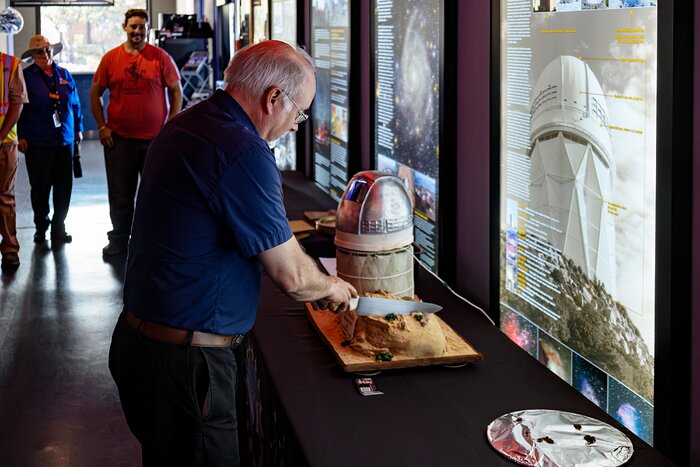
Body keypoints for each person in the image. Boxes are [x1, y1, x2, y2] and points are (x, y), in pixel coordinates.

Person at [109, 40, 357, 466]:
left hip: (144, 346)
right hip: (187, 365)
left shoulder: (188, 122)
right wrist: (334, 288)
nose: (297, 124)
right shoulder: (240, 149)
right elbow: (292, 276)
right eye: (299, 113)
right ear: (273, 98)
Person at [90, 8, 182, 257]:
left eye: (142, 27)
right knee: (120, 193)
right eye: (133, 26)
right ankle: (119, 239)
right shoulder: (111, 59)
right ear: (125, 27)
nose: (137, 31)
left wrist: (170, 127)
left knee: (155, 192)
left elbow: (176, 92)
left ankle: (155, 240)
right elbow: (95, 93)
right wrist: (102, 126)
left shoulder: (160, 58)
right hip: (119, 140)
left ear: (147, 30)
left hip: (154, 141)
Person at [18, 35, 83, 244]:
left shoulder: (64, 74)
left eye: (47, 50)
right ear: (32, 56)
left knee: (64, 188)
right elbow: (19, 108)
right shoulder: (26, 76)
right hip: (38, 142)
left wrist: (79, 129)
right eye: (39, 51)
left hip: (64, 140)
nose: (45, 54)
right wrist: (21, 135)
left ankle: (59, 227)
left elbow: (75, 104)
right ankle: (41, 226)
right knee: (40, 188)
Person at [0, 48, 28, 271]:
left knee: (4, 197)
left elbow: (17, 103)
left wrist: (0, 137)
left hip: (4, 143)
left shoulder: (10, 64)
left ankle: (10, 250)